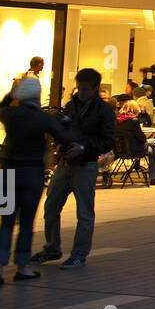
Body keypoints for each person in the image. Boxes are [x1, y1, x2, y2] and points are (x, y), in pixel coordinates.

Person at [0, 77, 76, 285]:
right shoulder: (43, 118)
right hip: (32, 171)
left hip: (9, 170)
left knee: (6, 222)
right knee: (26, 223)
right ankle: (22, 266)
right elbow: (66, 137)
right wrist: (66, 122)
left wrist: (12, 94)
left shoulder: (9, 114)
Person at [31, 67, 116, 271]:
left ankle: (79, 254)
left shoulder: (103, 111)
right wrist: (60, 144)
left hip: (85, 165)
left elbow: (107, 141)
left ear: (95, 88)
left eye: (85, 89)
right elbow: (62, 130)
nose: (81, 93)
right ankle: (52, 247)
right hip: (65, 163)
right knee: (51, 206)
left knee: (84, 212)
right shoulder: (71, 106)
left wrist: (84, 147)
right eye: (79, 89)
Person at [115, 99, 155, 185]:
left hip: (122, 150)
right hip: (134, 149)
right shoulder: (134, 121)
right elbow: (142, 139)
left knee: (153, 149)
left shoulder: (118, 120)